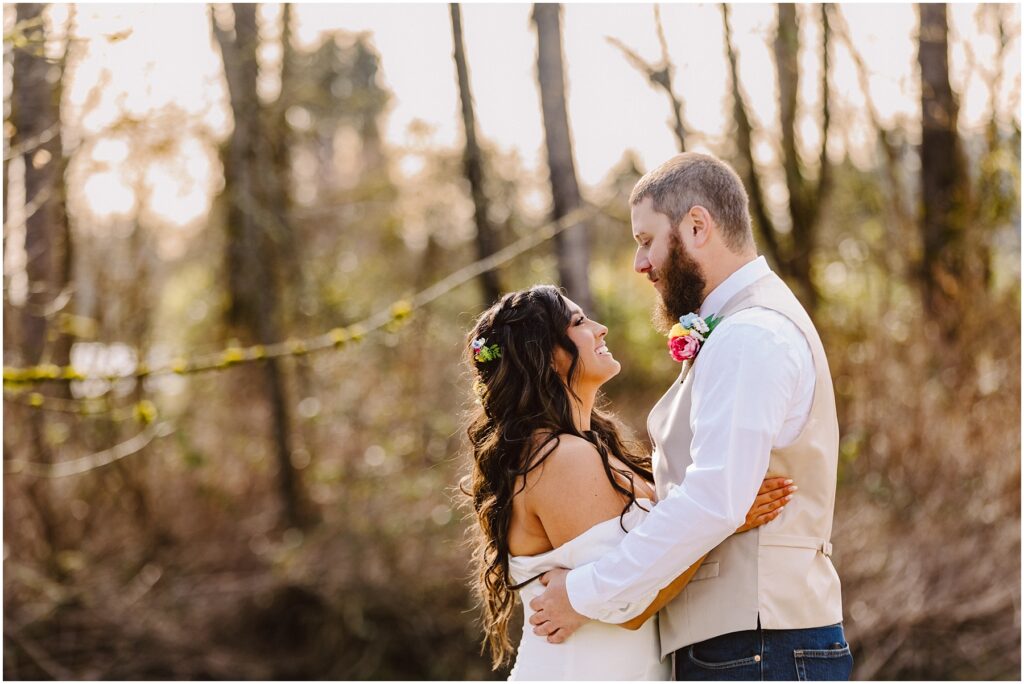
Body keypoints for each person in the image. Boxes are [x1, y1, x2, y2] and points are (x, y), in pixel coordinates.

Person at [527, 152, 853, 680]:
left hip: (757, 644)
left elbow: (712, 500)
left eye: (646, 240)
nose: (640, 263)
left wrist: (583, 593)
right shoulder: (741, 326)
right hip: (751, 642)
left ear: (697, 226)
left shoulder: (750, 334)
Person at [462, 284, 795, 680]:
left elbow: (635, 572)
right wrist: (719, 520)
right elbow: (628, 604)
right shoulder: (559, 458)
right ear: (545, 356)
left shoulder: (587, 447)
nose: (600, 328)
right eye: (579, 322)